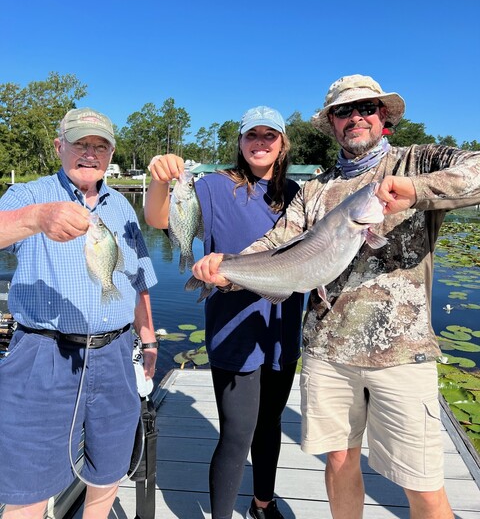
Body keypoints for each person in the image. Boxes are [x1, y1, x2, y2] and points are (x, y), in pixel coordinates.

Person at [192, 75, 480, 519]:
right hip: (328, 354)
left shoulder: (416, 162)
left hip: (401, 354)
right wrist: (223, 269)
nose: (355, 117)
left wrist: (415, 191)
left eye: (366, 107)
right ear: (331, 123)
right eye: (344, 111)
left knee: (421, 483)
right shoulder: (315, 189)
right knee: (340, 463)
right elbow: (276, 244)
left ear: (383, 116)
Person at [144, 106, 304, 519]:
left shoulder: (300, 195)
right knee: (237, 433)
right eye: (252, 135)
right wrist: (160, 181)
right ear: (239, 142)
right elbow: (160, 217)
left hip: (281, 328)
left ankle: (262, 504)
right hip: (232, 327)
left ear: (283, 144)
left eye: (270, 136)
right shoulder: (215, 187)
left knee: (269, 426)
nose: (260, 143)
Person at [0, 108, 158, 519]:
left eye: (100, 146)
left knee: (107, 473)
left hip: (116, 353)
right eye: (81, 144)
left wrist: (149, 338)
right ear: (60, 147)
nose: (90, 154)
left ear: (110, 154)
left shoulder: (122, 207)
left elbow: (138, 279)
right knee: (27, 487)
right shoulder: (29, 196)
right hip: (43, 355)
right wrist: (36, 219)